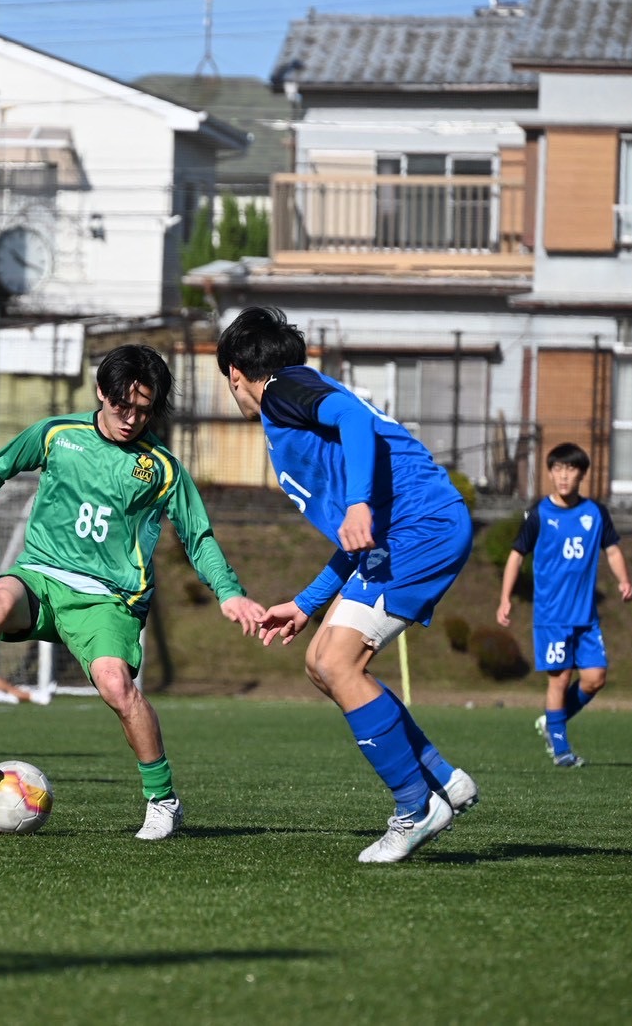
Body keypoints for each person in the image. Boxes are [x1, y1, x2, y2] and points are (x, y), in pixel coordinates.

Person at [0, 343, 263, 841]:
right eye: (122, 406)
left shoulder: (161, 467)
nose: (132, 419)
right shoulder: (57, 434)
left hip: (108, 598)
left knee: (116, 686)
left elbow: (197, 535)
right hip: (41, 576)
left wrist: (229, 592)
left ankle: (163, 800)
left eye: (144, 410)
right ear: (100, 392)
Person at [217, 306, 478, 863]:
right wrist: (306, 603)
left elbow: (354, 420)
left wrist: (359, 502)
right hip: (406, 530)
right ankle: (440, 777)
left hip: (420, 527)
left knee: (339, 663)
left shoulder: (281, 390)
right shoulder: (296, 400)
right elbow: (356, 539)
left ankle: (415, 807)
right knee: (320, 662)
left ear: (236, 373)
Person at [496, 443, 632, 767]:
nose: (563, 476)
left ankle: (551, 721)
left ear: (581, 474)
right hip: (552, 616)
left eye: (570, 469)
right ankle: (561, 751)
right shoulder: (539, 513)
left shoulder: (596, 513)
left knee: (595, 678)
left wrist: (624, 580)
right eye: (557, 469)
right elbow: (516, 555)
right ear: (550, 473)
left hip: (586, 616)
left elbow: (613, 549)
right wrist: (505, 598)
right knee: (559, 679)